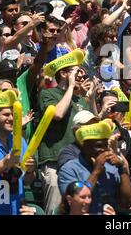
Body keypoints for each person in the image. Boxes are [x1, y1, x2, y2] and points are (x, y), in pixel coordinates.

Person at [37, 49, 88, 214]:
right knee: (55, 209)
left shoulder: (81, 100)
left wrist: (92, 99)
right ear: (64, 73)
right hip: (54, 161)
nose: (81, 75)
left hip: (78, 162)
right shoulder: (47, 93)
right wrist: (71, 86)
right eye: (76, 71)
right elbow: (57, 114)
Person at [56, 118, 131, 214]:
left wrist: (122, 169)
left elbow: (127, 202)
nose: (104, 150)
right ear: (85, 146)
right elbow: (73, 202)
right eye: (99, 146)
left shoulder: (111, 169)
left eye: (106, 146)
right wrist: (96, 171)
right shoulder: (69, 169)